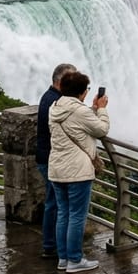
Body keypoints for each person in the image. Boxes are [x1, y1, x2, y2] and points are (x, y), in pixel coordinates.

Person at [48, 70, 109, 273]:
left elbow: (76, 120)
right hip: (77, 171)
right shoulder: (79, 111)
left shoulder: (55, 106)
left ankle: (63, 258)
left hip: (57, 169)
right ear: (82, 92)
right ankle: (75, 259)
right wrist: (101, 110)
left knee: (63, 213)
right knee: (76, 215)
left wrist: (91, 108)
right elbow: (101, 130)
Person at [36, 63, 77, 259]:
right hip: (52, 160)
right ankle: (53, 247)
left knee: (54, 204)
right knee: (57, 205)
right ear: (61, 82)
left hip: (46, 157)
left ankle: (51, 245)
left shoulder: (49, 97)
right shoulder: (56, 103)